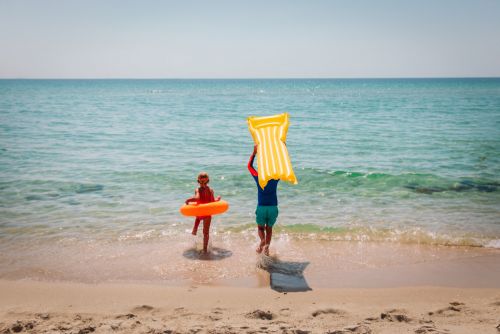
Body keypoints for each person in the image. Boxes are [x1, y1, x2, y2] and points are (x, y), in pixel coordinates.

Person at [248, 145, 279, 256]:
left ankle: (262, 241)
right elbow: (280, 166)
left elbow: (249, 166)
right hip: (273, 207)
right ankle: (266, 250)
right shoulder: (275, 178)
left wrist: (254, 153)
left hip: (261, 207)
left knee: (261, 228)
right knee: (269, 229)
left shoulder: (258, 177)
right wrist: (280, 151)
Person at [185, 172, 221, 253]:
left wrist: (189, 200)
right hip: (207, 213)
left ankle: (195, 229)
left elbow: (197, 198)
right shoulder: (210, 190)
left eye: (203, 182)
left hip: (201, 212)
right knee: (206, 232)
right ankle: (205, 249)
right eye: (202, 182)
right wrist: (217, 199)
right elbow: (212, 201)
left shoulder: (198, 189)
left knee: (198, 218)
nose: (203, 184)